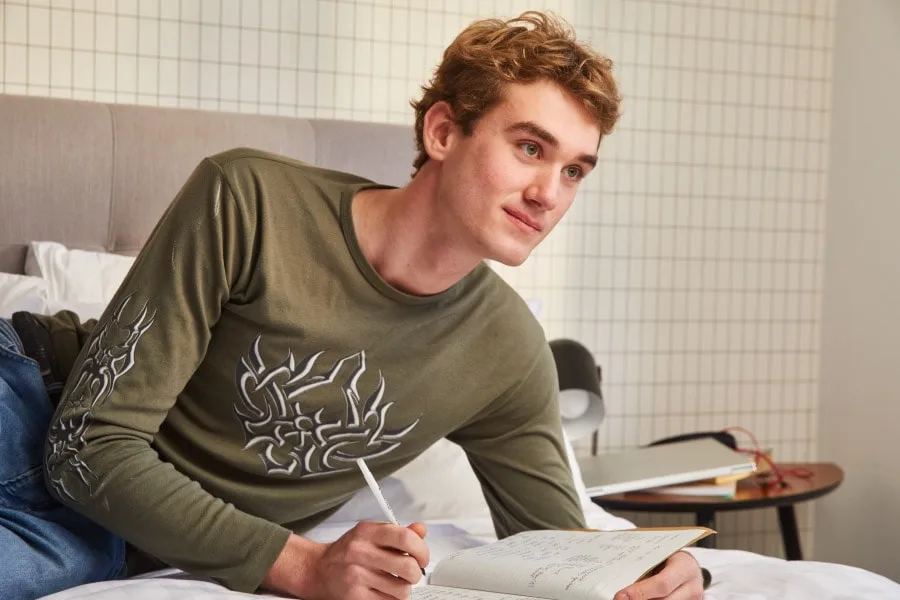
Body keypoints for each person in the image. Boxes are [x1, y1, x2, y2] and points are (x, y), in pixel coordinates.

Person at [0, 11, 703, 600]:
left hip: (125, 537)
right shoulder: (249, 201)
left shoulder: (507, 352)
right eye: (529, 147)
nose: (550, 194)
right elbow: (87, 446)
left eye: (574, 169)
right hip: (31, 404)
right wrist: (302, 563)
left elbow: (558, 550)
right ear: (442, 133)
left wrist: (652, 569)